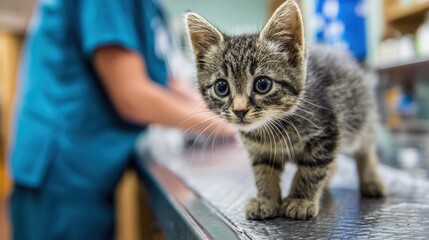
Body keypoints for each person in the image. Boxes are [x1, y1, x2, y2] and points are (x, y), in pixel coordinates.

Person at [8, 0, 233, 239]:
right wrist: (228, 125)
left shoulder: (149, 7)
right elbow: (132, 97)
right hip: (62, 172)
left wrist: (223, 112)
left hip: (91, 170)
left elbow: (171, 83)